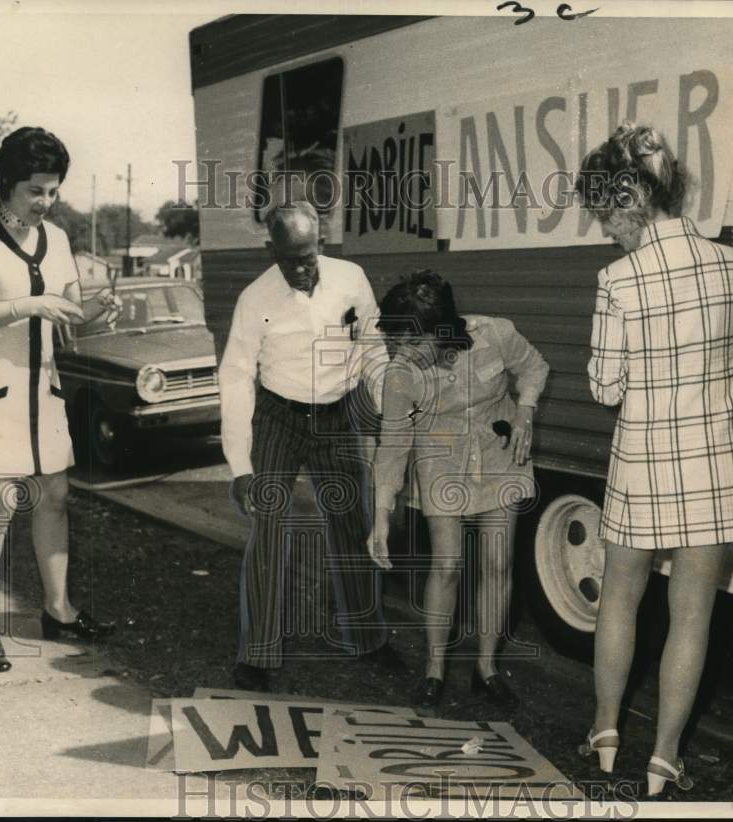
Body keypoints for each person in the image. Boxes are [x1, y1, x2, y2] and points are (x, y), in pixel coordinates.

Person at [575, 123, 733, 795]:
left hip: (643, 462)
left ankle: (605, 732)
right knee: (693, 612)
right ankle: (664, 758)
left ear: (631, 199)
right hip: (717, 464)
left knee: (620, 600)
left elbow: (605, 389)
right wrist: (722, 424)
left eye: (605, 214)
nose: (607, 230)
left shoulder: (617, 280)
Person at [0, 127, 120, 673]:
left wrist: (100, 313)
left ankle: (59, 610)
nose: (45, 202)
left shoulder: (57, 239)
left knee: (54, 497)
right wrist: (30, 303)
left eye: (53, 191)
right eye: (35, 190)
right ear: (7, 184)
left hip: (42, 392)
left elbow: (71, 316)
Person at [217, 200, 401, 692]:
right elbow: (235, 378)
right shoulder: (255, 299)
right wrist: (240, 465)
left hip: (336, 417)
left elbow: (372, 347)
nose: (304, 267)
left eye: (311, 253)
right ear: (270, 248)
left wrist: (387, 403)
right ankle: (257, 654)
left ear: (323, 240)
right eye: (292, 257)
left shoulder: (351, 278)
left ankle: (368, 638)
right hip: (278, 417)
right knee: (268, 527)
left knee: (351, 523)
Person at [368, 269, 549, 710]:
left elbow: (534, 368)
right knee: (447, 565)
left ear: (443, 330)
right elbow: (392, 446)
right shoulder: (400, 375)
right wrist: (379, 517)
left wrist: (525, 412)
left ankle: (486, 669)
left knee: (497, 564)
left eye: (414, 342)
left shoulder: (495, 334)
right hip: (440, 459)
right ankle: (434, 670)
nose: (403, 352)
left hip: (497, 454)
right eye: (397, 342)